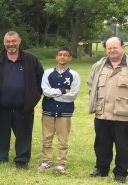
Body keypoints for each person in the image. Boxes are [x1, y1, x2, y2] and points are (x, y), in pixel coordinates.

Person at [0, 31, 43, 169]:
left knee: (23, 135)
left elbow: (41, 79)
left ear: (19, 41)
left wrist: (34, 97)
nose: (11, 44)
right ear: (4, 43)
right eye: (8, 42)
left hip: (23, 108)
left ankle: (21, 160)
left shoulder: (30, 59)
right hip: (0, 106)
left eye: (13, 41)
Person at [87, 37, 128, 183]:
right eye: (108, 48)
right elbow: (91, 85)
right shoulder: (98, 66)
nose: (111, 50)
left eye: (114, 47)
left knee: (124, 146)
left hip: (124, 115)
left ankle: (121, 173)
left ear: (122, 47)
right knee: (101, 144)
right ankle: (101, 169)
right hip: (102, 113)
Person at [37, 47, 80, 173]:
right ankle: (46, 161)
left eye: (65, 55)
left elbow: (73, 95)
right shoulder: (48, 73)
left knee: (63, 139)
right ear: (56, 57)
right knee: (47, 138)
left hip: (65, 111)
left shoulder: (74, 75)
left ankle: (61, 163)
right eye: (60, 54)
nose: (62, 57)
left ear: (70, 58)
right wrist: (61, 91)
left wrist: (53, 95)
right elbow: (45, 91)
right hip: (48, 110)